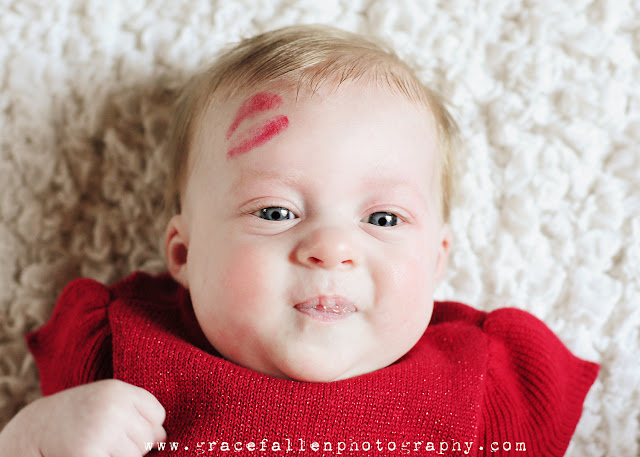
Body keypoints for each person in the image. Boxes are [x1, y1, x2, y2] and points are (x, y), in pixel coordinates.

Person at [0, 25, 598, 456]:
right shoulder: (124, 353)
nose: (333, 249)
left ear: (437, 259)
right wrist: (31, 441)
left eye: (383, 219)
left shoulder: (485, 383)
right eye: (276, 211)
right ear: (184, 253)